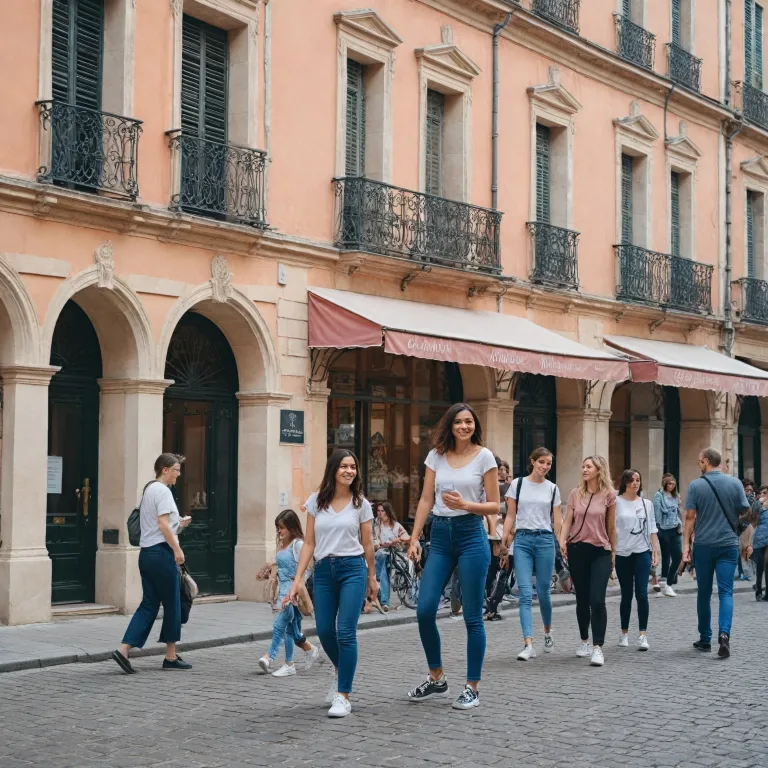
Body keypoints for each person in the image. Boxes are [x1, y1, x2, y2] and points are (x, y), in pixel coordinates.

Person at [405, 403, 499, 710]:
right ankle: (437, 677)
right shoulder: (436, 455)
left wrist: (466, 505)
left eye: (469, 421)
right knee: (424, 609)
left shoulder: (484, 457)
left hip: (471, 534)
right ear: (450, 425)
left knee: (472, 616)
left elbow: (495, 505)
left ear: (475, 426)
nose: (464, 426)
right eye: (458, 421)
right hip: (441, 536)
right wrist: (414, 537)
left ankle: (472, 687)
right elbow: (426, 499)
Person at [288, 449, 377, 718]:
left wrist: (372, 577)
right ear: (333, 470)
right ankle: (341, 671)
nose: (349, 471)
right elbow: (309, 543)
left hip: (353, 569)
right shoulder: (316, 501)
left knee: (346, 631)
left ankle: (343, 695)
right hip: (324, 570)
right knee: (325, 630)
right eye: (344, 466)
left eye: (353, 467)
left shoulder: (361, 504)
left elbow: (368, 543)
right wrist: (297, 580)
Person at [112, 453, 192, 674]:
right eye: (176, 470)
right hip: (162, 553)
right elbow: (162, 524)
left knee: (149, 604)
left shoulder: (148, 490)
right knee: (173, 603)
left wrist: (179, 525)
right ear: (165, 469)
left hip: (146, 554)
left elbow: (158, 525)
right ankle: (170, 657)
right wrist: (177, 550)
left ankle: (123, 649)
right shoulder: (163, 491)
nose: (178, 474)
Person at [683, 447, 750, 659]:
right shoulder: (735, 483)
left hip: (704, 545)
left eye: (699, 462)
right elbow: (745, 509)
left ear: (705, 461)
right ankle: (724, 635)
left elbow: (690, 518)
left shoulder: (695, 486)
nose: (698, 465)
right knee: (726, 592)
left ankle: (705, 639)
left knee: (703, 593)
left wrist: (685, 546)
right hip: (728, 544)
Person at [500, 447, 561, 660]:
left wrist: (562, 542)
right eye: (541, 462)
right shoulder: (517, 484)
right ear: (533, 461)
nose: (545, 466)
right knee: (525, 594)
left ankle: (547, 632)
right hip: (523, 540)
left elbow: (558, 520)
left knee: (543, 592)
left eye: (548, 463)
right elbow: (510, 515)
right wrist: (504, 539)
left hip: (545, 540)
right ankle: (528, 644)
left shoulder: (552, 489)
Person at [558, 456, 617, 667]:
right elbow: (568, 521)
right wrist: (562, 540)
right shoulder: (575, 494)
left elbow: (611, 526)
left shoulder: (609, 495)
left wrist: (613, 553)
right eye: (583, 466)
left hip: (601, 551)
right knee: (582, 599)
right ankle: (584, 640)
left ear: (599, 470)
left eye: (588, 467)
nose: (584, 469)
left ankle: (597, 646)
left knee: (597, 600)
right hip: (577, 550)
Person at [257, 510, 321, 677]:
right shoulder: (282, 544)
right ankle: (310, 649)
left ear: (291, 527)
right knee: (291, 630)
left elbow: (308, 567)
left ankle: (271, 658)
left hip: (292, 593)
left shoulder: (298, 544)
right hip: (282, 592)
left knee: (280, 625)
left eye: (282, 527)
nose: (279, 531)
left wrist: (298, 584)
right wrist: (269, 571)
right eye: (278, 527)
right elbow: (281, 567)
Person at [614, 469, 659, 651]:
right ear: (625, 482)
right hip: (622, 552)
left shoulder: (646, 504)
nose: (635, 483)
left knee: (642, 594)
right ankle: (624, 633)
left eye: (638, 480)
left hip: (642, 552)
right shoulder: (616, 502)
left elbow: (652, 527)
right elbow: (611, 527)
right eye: (631, 480)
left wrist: (655, 550)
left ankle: (642, 635)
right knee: (626, 594)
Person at [373, 501, 409, 610]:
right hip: (379, 554)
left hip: (393, 554)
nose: (380, 513)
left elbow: (407, 537)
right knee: (383, 566)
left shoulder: (396, 525)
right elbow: (372, 538)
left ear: (388, 512)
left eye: (382, 511)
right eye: (378, 511)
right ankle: (384, 602)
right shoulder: (376, 524)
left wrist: (394, 541)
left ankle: (381, 595)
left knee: (383, 565)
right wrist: (378, 544)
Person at [653, 473, 683, 597]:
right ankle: (664, 581)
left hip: (675, 528)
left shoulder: (675, 496)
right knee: (665, 556)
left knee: (677, 556)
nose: (671, 486)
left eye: (673, 484)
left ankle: (668, 583)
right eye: (669, 483)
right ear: (665, 483)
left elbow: (678, 512)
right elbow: (657, 513)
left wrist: (680, 524)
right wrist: (657, 529)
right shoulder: (659, 495)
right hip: (663, 529)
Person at [747, 487, 768, 601]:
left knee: (767, 565)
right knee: (760, 566)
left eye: (765, 493)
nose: (763, 495)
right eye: (761, 493)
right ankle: (758, 590)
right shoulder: (758, 506)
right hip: (760, 539)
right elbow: (752, 516)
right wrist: (759, 502)